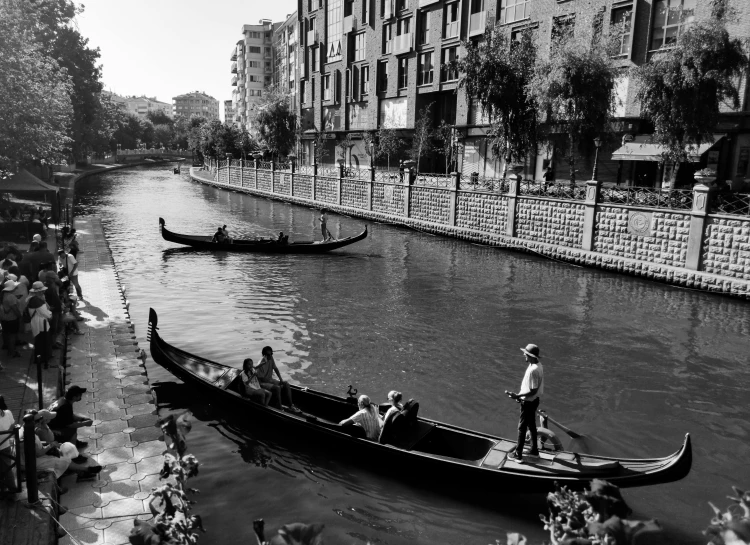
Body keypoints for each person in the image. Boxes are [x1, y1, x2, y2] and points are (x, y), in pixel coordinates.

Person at [505, 343, 544, 463]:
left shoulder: (533, 370)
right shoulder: (537, 365)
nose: (523, 355)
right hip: (534, 401)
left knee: (521, 428)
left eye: (525, 353)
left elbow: (532, 390)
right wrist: (520, 397)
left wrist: (518, 395)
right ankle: (534, 451)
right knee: (531, 425)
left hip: (528, 402)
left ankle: (518, 455)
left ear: (531, 356)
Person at [255, 346, 300, 413]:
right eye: (268, 355)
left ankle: (290, 406)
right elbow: (261, 379)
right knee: (277, 388)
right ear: (264, 355)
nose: (270, 356)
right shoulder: (261, 364)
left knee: (286, 384)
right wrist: (272, 382)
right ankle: (279, 407)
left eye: (271, 354)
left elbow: (275, 369)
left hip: (269, 380)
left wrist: (281, 380)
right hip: (262, 383)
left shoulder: (271, 358)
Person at [27, 281, 53, 369]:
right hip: (41, 323)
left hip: (39, 322)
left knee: (40, 342)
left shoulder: (33, 298)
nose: (43, 292)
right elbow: (45, 313)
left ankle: (42, 359)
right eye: (41, 291)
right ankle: (43, 360)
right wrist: (50, 314)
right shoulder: (36, 300)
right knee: (43, 342)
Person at [0, 279, 22, 361]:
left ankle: (8, 348)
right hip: (12, 319)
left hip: (4, 319)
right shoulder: (11, 297)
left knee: (6, 334)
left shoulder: (4, 295)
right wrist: (20, 316)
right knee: (12, 336)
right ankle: (12, 352)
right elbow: (15, 309)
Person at [0, 396, 16, 492]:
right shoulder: (8, 413)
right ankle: (12, 489)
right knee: (7, 468)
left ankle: (10, 490)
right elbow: (13, 426)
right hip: (6, 445)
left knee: (5, 469)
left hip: (3, 445)